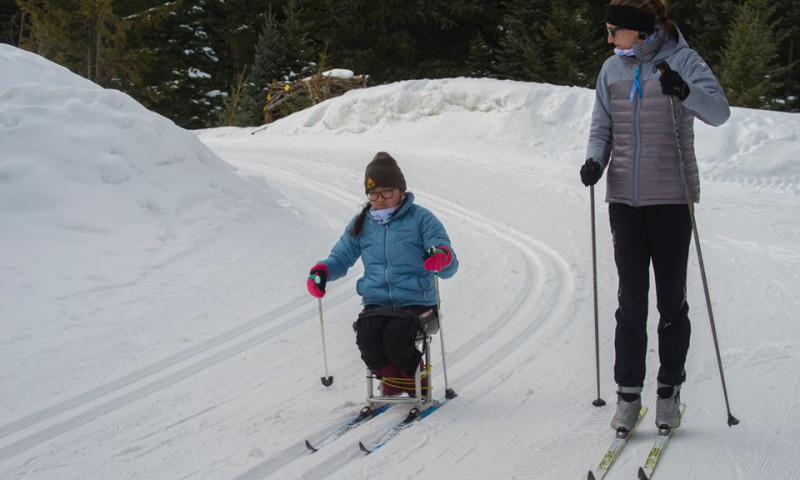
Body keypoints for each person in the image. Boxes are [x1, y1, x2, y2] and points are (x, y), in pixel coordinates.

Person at [581, 0, 730, 432]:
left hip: (671, 197)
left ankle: (669, 394)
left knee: (671, 302)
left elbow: (719, 112)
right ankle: (628, 397)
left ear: (641, 31)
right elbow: (601, 127)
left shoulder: (683, 61)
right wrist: (595, 160)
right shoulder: (612, 70)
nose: (609, 39)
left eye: (615, 31)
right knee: (631, 301)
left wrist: (684, 90)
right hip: (624, 201)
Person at [306, 151, 458, 396]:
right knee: (367, 339)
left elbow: (449, 264)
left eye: (387, 191)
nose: (380, 199)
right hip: (377, 301)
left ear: (401, 191)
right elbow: (341, 256)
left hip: (417, 302)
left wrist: (442, 256)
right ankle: (395, 379)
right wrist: (322, 271)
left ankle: (413, 378)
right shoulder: (362, 222)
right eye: (374, 194)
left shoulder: (422, 219)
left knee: (395, 337)